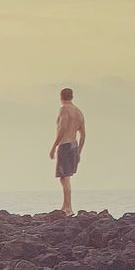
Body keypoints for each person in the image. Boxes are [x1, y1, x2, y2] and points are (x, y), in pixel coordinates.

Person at [49, 87, 86, 215]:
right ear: (72, 97)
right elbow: (83, 134)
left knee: (64, 178)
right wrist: (79, 151)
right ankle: (66, 205)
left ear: (61, 97)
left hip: (65, 144)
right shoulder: (79, 112)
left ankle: (68, 208)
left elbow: (63, 128)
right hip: (74, 145)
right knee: (66, 177)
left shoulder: (64, 109)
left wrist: (54, 146)